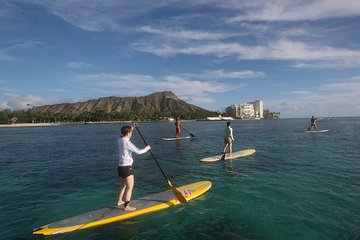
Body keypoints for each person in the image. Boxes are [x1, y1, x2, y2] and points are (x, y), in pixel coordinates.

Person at [117, 123, 151, 211]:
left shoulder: (119, 139)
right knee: (130, 187)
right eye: (130, 132)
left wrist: (132, 127)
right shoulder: (127, 142)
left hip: (120, 167)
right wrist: (147, 148)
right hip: (127, 167)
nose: (131, 134)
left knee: (123, 185)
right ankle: (127, 206)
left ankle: (119, 201)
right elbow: (139, 152)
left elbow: (125, 133)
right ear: (128, 133)